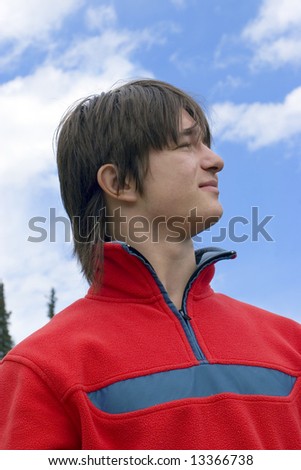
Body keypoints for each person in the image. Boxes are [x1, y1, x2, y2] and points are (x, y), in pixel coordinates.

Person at [0, 79, 300, 450]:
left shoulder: (291, 344)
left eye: (206, 143)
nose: (215, 160)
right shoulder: (41, 370)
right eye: (186, 144)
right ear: (120, 181)